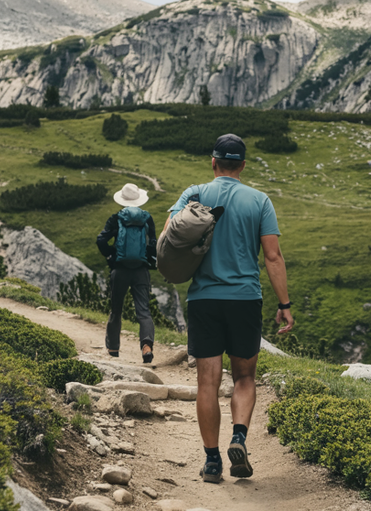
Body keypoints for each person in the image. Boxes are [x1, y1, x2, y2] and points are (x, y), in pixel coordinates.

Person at [165, 133, 294, 483]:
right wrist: (284, 303)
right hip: (244, 299)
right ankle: (239, 437)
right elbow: (272, 256)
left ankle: (211, 462)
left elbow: (170, 235)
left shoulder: (194, 193)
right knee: (244, 377)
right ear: (243, 165)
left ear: (213, 162)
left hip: (204, 299)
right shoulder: (260, 200)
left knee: (207, 382)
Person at [97, 183, 158, 363]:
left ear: (122, 200)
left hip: (120, 270)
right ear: (139, 200)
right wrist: (149, 260)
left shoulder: (116, 219)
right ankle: (146, 346)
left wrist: (110, 256)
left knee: (116, 310)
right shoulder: (147, 219)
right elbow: (153, 243)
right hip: (141, 270)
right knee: (144, 311)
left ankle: (113, 348)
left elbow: (101, 240)